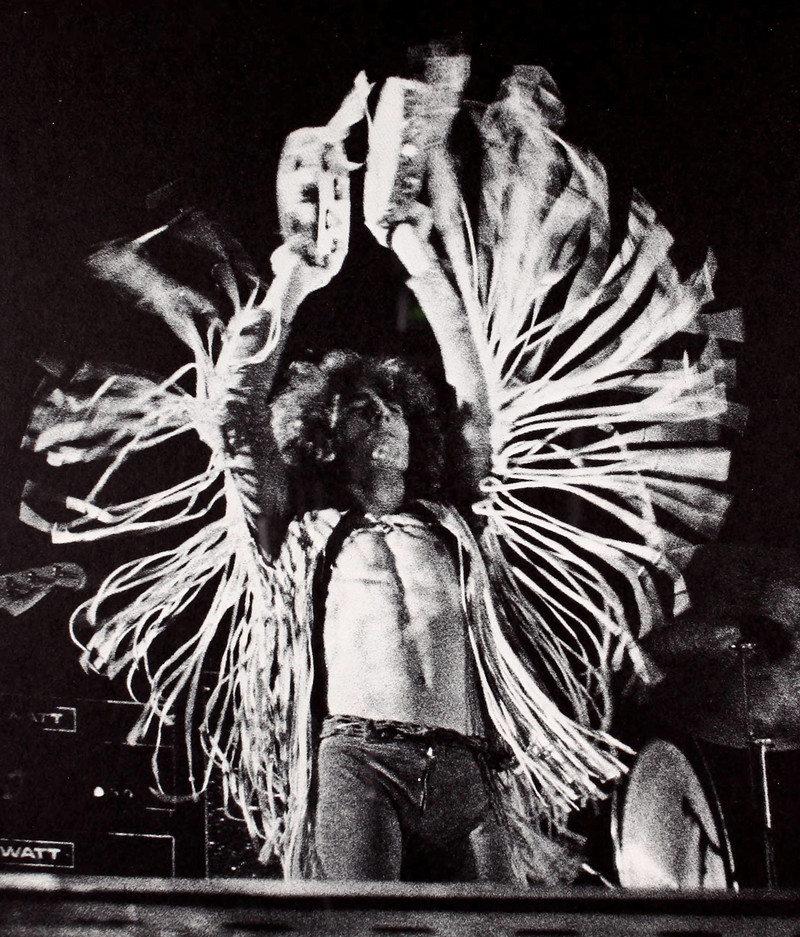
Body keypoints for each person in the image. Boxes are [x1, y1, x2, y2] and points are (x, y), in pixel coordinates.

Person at [19, 55, 741, 884]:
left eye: (392, 406)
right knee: (354, 925)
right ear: (328, 437)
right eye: (361, 409)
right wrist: (296, 274)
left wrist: (415, 251)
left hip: (470, 765)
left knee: (497, 930)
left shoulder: (456, 524)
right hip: (359, 759)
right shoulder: (301, 529)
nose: (383, 417)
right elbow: (237, 416)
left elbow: (474, 389)